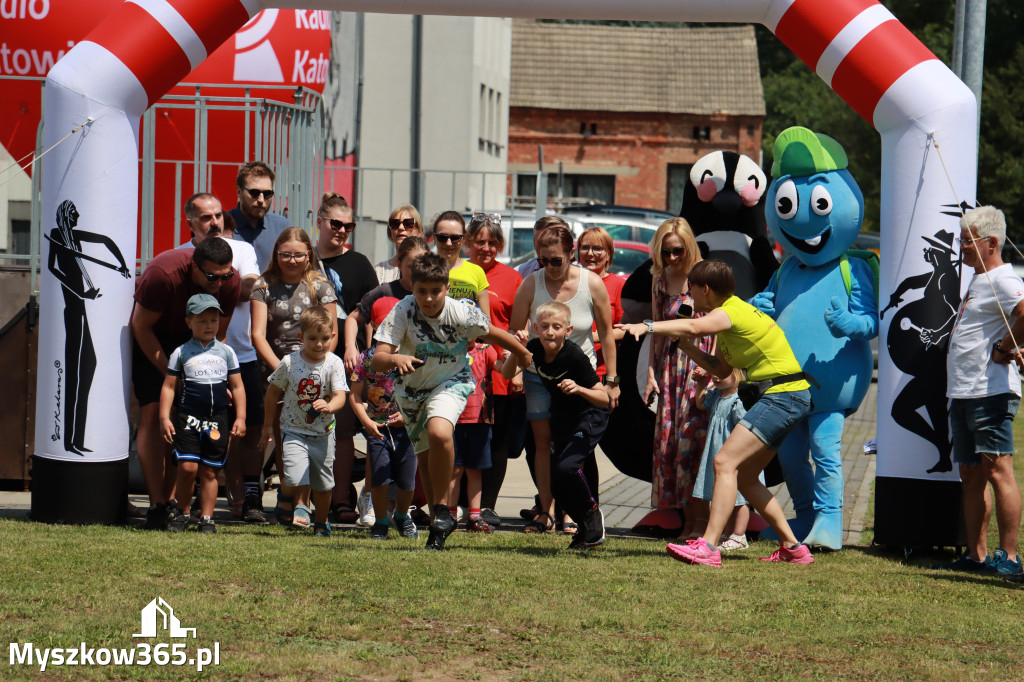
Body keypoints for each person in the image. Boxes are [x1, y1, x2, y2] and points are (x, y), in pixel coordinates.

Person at [618, 259, 814, 567]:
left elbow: (695, 325)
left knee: (724, 461)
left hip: (783, 396)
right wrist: (685, 346)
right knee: (746, 477)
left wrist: (647, 326)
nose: (689, 297)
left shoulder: (730, 312)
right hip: (788, 397)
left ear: (705, 289)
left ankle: (708, 546)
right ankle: (793, 548)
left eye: (691, 290)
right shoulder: (729, 320)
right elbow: (720, 371)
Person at [372, 252, 533, 550]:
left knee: (440, 432)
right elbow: (378, 359)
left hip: (452, 381)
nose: (429, 298)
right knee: (425, 460)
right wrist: (396, 357)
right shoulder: (403, 311)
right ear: (412, 288)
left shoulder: (461, 312)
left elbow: (494, 334)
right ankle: (437, 527)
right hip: (412, 393)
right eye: (422, 291)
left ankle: (444, 509)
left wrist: (522, 354)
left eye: (436, 291)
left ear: (447, 287)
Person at [509, 223, 619, 534]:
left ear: (572, 254)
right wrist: (517, 369)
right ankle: (545, 511)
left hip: (578, 375)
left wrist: (612, 379)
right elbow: (515, 333)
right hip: (538, 374)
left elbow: (608, 334)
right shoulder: (531, 284)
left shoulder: (591, 284)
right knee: (542, 444)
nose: (550, 267)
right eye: (544, 260)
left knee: (574, 445)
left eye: (556, 260)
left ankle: (573, 512)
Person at [132, 237, 240, 530]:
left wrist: (217, 377)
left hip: (202, 344)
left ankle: (174, 503)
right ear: (193, 266)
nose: (219, 282)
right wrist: (174, 374)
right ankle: (157, 504)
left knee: (188, 423)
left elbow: (219, 337)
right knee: (155, 414)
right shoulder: (162, 275)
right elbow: (140, 326)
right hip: (155, 340)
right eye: (211, 277)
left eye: (225, 275)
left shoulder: (230, 281)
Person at [939, 206, 1024, 577]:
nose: (962, 248)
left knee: (998, 470)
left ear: (991, 242)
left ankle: (1009, 557)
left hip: (990, 393)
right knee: (970, 476)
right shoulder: (978, 278)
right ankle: (976, 556)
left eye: (968, 241)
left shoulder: (1004, 279)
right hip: (964, 392)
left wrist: (1005, 348)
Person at [177, 194, 266, 523]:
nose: (214, 222)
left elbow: (251, 289)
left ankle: (252, 494)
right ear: (191, 223)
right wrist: (231, 281)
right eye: (205, 218)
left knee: (250, 426)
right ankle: (203, 496)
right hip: (199, 360)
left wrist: (220, 280)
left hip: (241, 352)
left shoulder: (242, 249)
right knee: (204, 426)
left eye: (218, 216)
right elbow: (233, 288)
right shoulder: (183, 255)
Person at [250, 227, 338, 527]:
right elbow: (257, 335)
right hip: (276, 372)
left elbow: (331, 333)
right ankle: (287, 495)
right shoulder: (264, 285)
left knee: (310, 436)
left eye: (298, 255)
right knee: (281, 437)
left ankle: (301, 502)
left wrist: (316, 369)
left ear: (308, 256)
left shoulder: (321, 286)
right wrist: (285, 372)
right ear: (276, 254)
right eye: (285, 254)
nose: (291, 260)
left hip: (314, 372)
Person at [504, 301, 609, 549]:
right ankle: (586, 530)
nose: (550, 332)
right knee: (557, 480)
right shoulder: (533, 348)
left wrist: (579, 388)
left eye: (557, 327)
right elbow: (508, 374)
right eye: (545, 327)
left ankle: (592, 514)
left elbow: (603, 398)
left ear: (568, 330)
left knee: (567, 466)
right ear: (536, 328)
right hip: (564, 417)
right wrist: (516, 349)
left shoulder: (573, 355)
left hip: (591, 415)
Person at [644, 218, 714, 539]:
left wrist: (712, 370)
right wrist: (650, 375)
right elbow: (656, 331)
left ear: (688, 247)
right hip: (671, 369)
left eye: (677, 251)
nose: (672, 258)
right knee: (672, 445)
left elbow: (720, 323)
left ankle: (704, 522)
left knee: (695, 443)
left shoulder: (704, 277)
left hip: (701, 366)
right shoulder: (659, 280)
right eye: (666, 251)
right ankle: (688, 520)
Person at [315, 193, 379, 523]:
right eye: (335, 224)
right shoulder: (305, 259)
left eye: (348, 226)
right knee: (314, 433)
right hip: (312, 359)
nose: (341, 231)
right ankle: (315, 499)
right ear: (320, 222)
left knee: (345, 433)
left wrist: (368, 359)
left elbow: (370, 315)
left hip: (350, 362)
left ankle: (346, 500)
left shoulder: (360, 263)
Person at [158, 294, 246, 534]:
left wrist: (240, 417)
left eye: (213, 320)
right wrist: (164, 417)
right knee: (187, 467)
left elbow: (237, 387)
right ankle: (183, 513)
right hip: (188, 418)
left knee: (210, 470)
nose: (209, 326)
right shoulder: (181, 352)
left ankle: (207, 518)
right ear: (189, 323)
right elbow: (168, 386)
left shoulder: (227, 352)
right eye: (202, 321)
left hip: (217, 420)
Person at [259, 307, 349, 537]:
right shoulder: (289, 363)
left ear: (332, 336)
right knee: (294, 470)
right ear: (301, 338)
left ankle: (321, 522)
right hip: (293, 429)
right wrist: (268, 425)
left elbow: (340, 395)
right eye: (312, 339)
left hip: (323, 432)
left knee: (323, 484)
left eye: (325, 339)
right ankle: (300, 505)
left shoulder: (334, 363)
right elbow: (272, 393)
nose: (319, 345)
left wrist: (329, 406)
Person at [466, 213, 524, 526]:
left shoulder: (512, 278)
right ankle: (462, 504)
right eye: (479, 241)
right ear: (468, 243)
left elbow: (519, 327)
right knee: (462, 436)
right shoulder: (457, 273)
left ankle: (487, 505)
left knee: (496, 440)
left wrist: (515, 370)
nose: (485, 247)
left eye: (492, 242)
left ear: (499, 245)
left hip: (498, 371)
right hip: (461, 372)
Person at [349, 296, 420, 541]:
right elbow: (355, 395)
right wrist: (366, 422)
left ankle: (401, 515)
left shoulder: (414, 355)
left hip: (407, 431)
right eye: (383, 325)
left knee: (407, 482)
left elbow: (424, 392)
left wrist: (410, 415)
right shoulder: (367, 358)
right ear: (375, 327)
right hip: (377, 429)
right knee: (379, 477)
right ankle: (380, 522)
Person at [693, 367, 754, 550]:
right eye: (715, 373)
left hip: (736, 455)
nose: (717, 376)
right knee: (724, 497)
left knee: (741, 499)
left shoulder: (738, 401)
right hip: (718, 452)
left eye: (723, 373)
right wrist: (700, 384)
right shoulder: (718, 396)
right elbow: (701, 403)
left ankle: (739, 536)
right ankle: (726, 534)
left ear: (738, 375)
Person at [447, 339, 501, 532]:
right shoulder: (448, 346)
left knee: (475, 470)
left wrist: (514, 353)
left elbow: (504, 369)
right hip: (452, 418)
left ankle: (474, 517)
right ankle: (450, 516)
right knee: (454, 470)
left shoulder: (486, 350)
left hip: (480, 418)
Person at [577, 227, 626, 382]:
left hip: (602, 371)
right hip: (570, 367)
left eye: (597, 249)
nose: (590, 253)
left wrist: (594, 337)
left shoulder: (618, 285)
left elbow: (625, 330)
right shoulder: (570, 282)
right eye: (585, 247)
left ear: (608, 255)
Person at [228, 161, 291, 270]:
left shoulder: (282, 228)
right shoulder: (223, 226)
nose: (261, 200)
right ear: (239, 191)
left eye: (267, 194)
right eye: (254, 193)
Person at [431, 210, 491, 319]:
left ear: (463, 239)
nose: (448, 243)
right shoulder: (423, 269)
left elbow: (486, 323)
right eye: (442, 238)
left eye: (455, 238)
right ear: (434, 238)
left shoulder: (476, 272)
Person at [375, 205, 424, 284]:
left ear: (420, 231)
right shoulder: (379, 270)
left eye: (408, 223)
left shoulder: (431, 268)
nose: (401, 228)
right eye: (395, 223)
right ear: (390, 232)